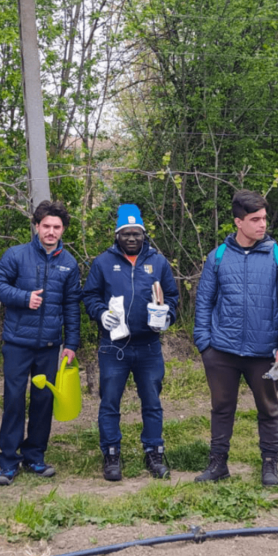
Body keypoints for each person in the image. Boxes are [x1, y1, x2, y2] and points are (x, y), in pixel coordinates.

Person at [193, 189, 278, 486]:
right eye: (255, 219)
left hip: (264, 352)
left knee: (268, 409)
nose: (262, 224)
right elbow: (203, 302)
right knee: (222, 407)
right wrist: (205, 344)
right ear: (238, 222)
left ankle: (269, 464)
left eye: (264, 218)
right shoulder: (218, 257)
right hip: (222, 352)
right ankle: (218, 464)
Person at [82, 205, 179, 481]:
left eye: (137, 233)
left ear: (144, 234)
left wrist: (167, 315)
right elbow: (90, 296)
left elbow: (171, 296)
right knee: (110, 402)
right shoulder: (102, 262)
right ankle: (111, 454)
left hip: (149, 346)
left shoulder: (158, 262)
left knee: (152, 402)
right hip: (114, 348)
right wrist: (100, 314)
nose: (132, 238)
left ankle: (154, 452)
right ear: (117, 235)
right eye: (126, 234)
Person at [0, 200, 81, 486]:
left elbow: (71, 305)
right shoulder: (16, 255)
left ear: (63, 229)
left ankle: (35, 457)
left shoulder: (69, 263)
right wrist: (24, 297)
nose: (51, 232)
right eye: (46, 226)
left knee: (43, 402)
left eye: (57, 227)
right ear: (37, 226)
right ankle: (8, 462)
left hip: (50, 346)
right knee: (14, 401)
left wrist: (72, 343)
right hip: (17, 343)